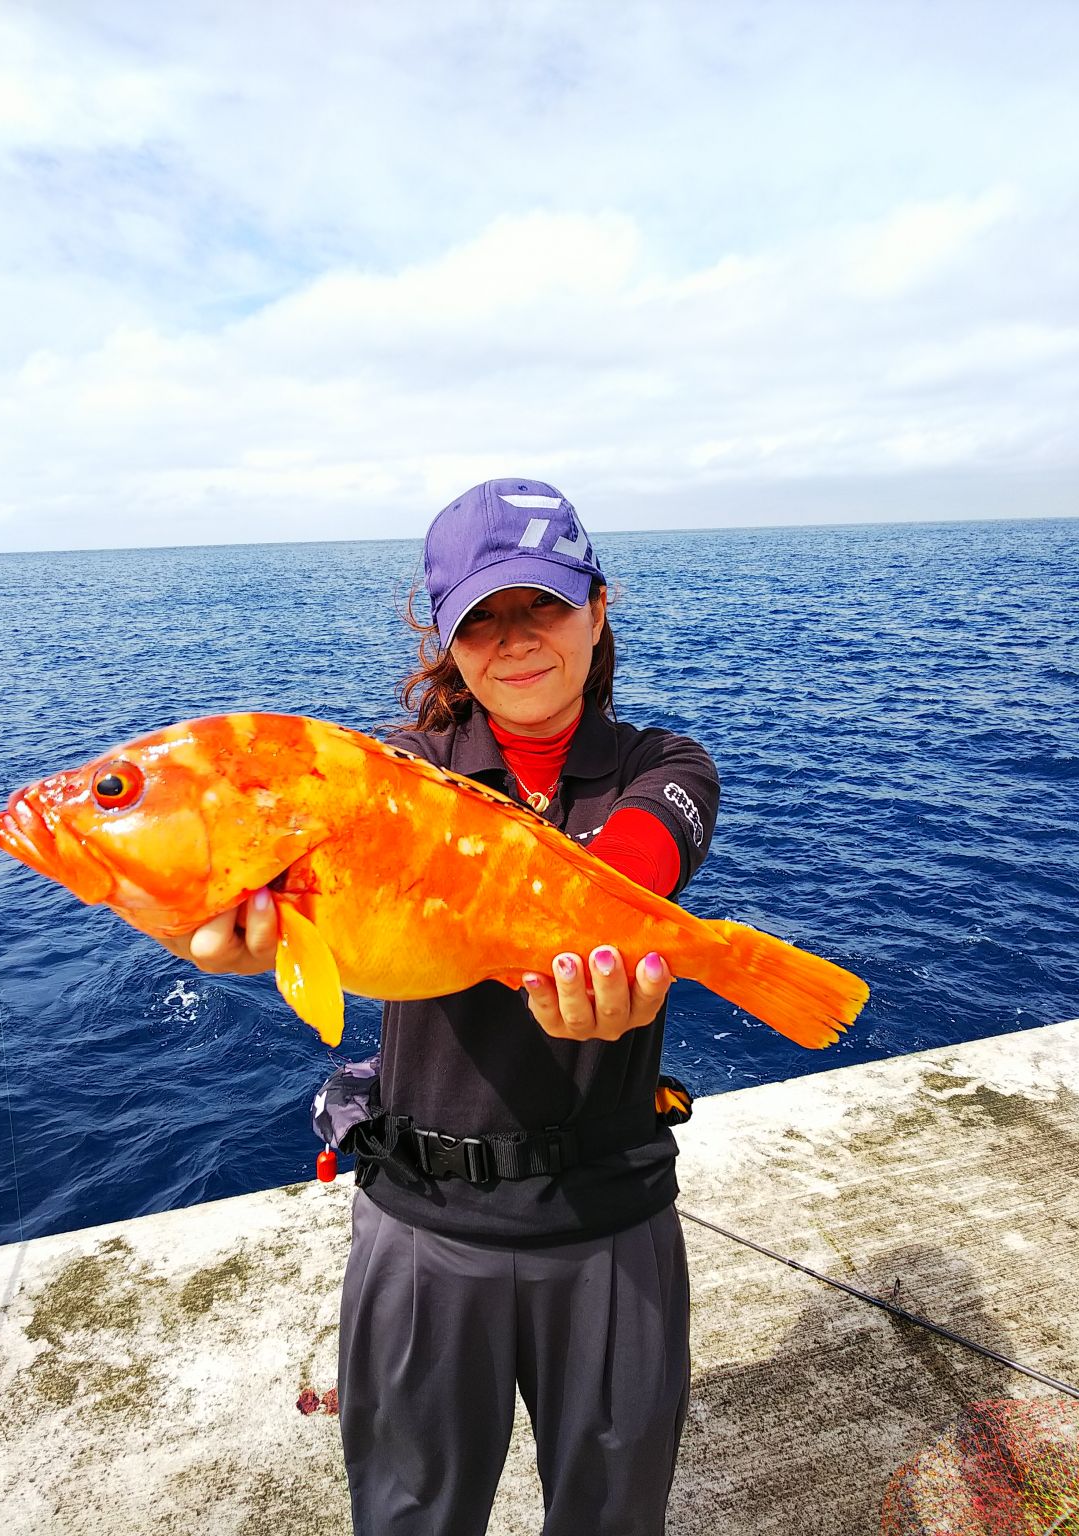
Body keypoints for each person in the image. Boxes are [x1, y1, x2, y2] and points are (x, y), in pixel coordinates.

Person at [163, 479, 720, 1536]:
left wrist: (589, 923)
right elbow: (309, 894)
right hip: (424, 1231)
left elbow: (645, 854)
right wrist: (240, 920)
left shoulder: (666, 765)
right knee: (410, 1517)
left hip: (610, 1222)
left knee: (615, 1518)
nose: (515, 642)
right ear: (448, 642)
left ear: (597, 610)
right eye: (480, 619)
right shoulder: (397, 779)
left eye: (542, 607)